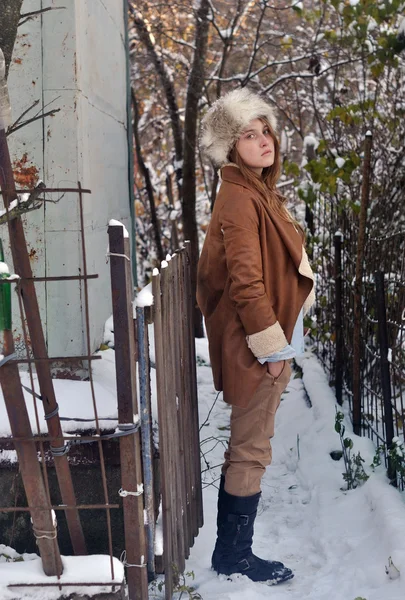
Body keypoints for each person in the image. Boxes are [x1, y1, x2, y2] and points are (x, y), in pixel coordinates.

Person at [197, 88, 315, 585]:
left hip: (264, 341)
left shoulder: (255, 191)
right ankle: (234, 557)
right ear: (230, 146)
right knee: (250, 449)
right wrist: (271, 351)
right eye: (249, 134)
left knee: (250, 446)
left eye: (265, 130)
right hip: (256, 345)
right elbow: (246, 282)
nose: (263, 140)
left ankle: (232, 552)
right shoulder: (240, 199)